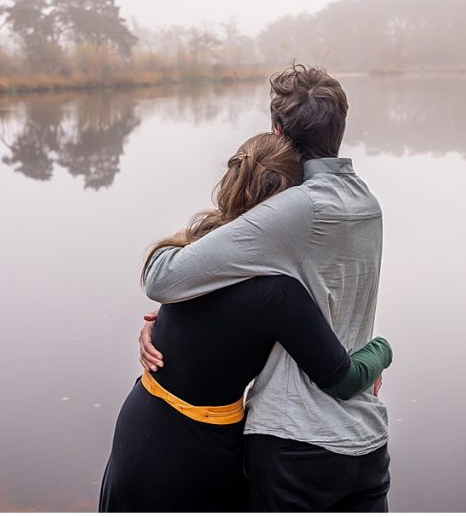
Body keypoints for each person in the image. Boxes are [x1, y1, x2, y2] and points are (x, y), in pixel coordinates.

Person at [139, 63, 391, 511]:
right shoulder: (367, 203)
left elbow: (163, 277)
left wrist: (172, 319)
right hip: (367, 443)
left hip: (296, 443)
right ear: (341, 128)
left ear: (277, 131)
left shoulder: (298, 209)